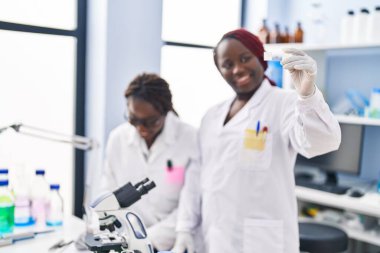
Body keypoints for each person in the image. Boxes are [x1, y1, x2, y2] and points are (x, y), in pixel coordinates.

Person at [171, 29, 341, 253]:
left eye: (244, 58)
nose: (237, 69)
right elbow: (195, 178)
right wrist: (184, 228)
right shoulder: (211, 115)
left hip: (261, 242)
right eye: (227, 64)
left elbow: (321, 143)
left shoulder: (285, 103)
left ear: (260, 57)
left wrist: (308, 95)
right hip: (214, 237)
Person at [99, 73, 198, 251]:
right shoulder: (118, 138)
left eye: (151, 122)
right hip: (127, 239)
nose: (141, 129)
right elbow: (109, 192)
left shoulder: (190, 139)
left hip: (172, 241)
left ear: (166, 111)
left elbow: (191, 202)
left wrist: (148, 239)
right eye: (133, 119)